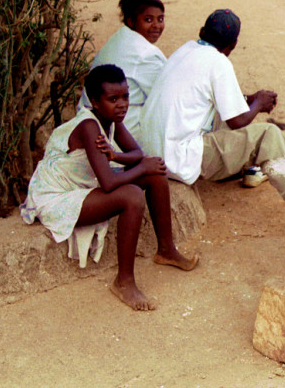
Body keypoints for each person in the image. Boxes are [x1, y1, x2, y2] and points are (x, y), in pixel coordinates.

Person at [140, 9, 285, 235]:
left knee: (223, 113)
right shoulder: (218, 62)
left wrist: (251, 99)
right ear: (233, 44)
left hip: (153, 153)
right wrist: (258, 104)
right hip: (177, 159)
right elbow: (237, 121)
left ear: (202, 31)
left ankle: (252, 168)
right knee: (268, 134)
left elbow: (223, 102)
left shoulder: (186, 50)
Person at [21, 65, 198, 311]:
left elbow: (137, 153)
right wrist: (141, 166)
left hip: (83, 184)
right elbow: (109, 183)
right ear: (95, 101)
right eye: (113, 99)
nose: (122, 104)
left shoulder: (111, 119)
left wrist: (115, 156)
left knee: (155, 173)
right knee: (132, 195)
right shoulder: (89, 126)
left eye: (125, 96)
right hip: (57, 195)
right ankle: (124, 282)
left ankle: (167, 250)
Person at [78, 0, 167, 142]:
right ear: (131, 21)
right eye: (148, 20)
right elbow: (167, 98)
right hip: (118, 137)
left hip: (87, 125)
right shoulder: (145, 54)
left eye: (160, 19)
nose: (156, 26)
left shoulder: (119, 39)